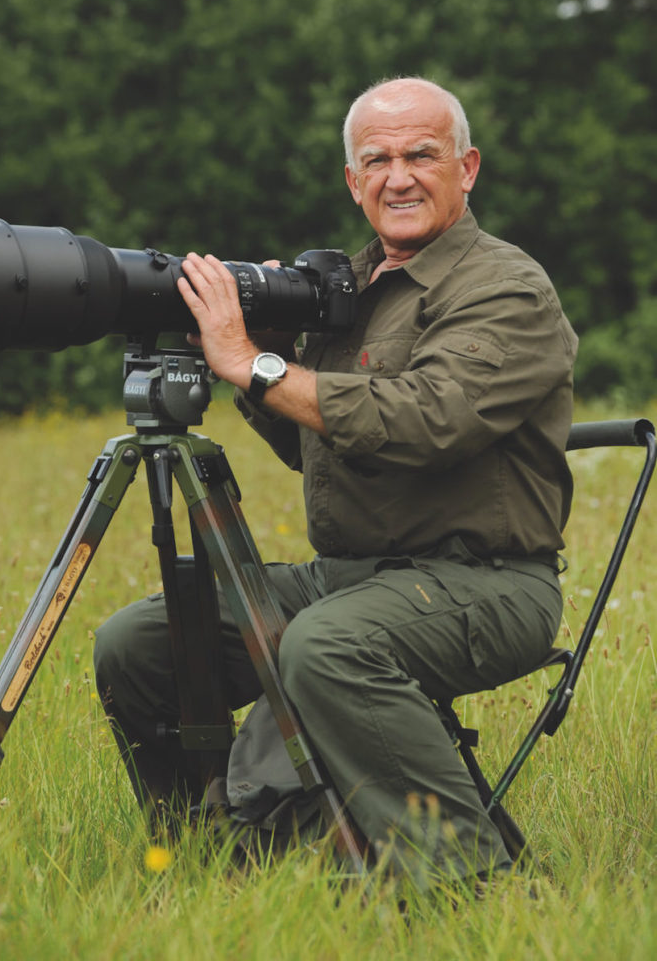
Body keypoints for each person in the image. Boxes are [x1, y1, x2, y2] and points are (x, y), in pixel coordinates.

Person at [93, 77, 578, 884]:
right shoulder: (346, 292)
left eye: (422, 155)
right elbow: (321, 444)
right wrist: (265, 358)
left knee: (325, 646)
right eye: (376, 160)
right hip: (349, 576)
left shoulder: (505, 288)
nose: (399, 177)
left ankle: (464, 880)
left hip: (485, 583)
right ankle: (214, 853)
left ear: (468, 167)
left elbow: (427, 421)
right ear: (354, 182)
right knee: (138, 645)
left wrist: (257, 362)